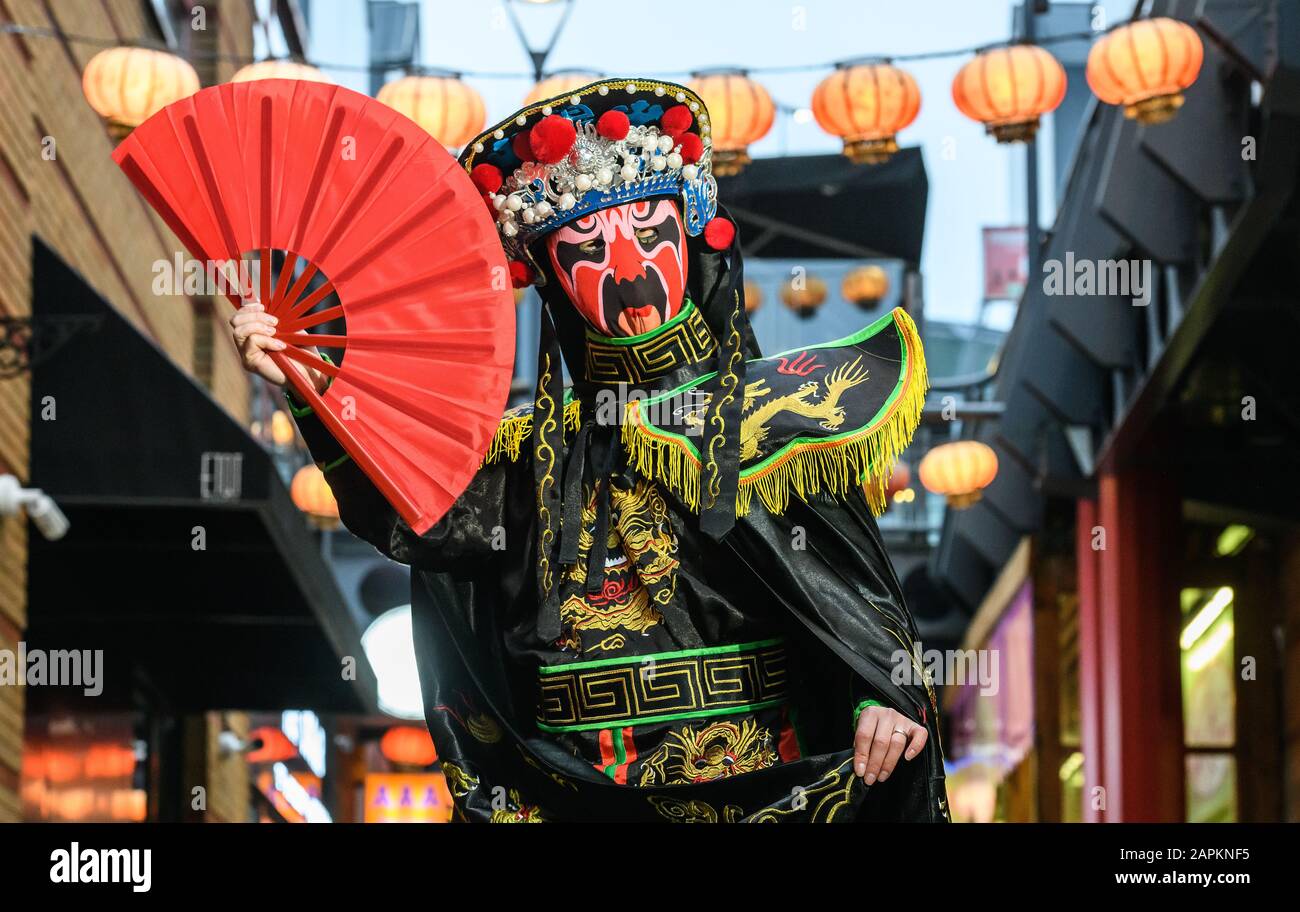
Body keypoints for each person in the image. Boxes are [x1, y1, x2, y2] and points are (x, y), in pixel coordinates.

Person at [232, 77, 947, 822]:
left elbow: (849, 599)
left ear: (693, 230)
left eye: (647, 228)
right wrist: (313, 382)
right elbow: (424, 521)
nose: (628, 266)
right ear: (548, 277)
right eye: (587, 246)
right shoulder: (531, 452)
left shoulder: (781, 413)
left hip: (760, 786)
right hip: (574, 789)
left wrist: (880, 691)